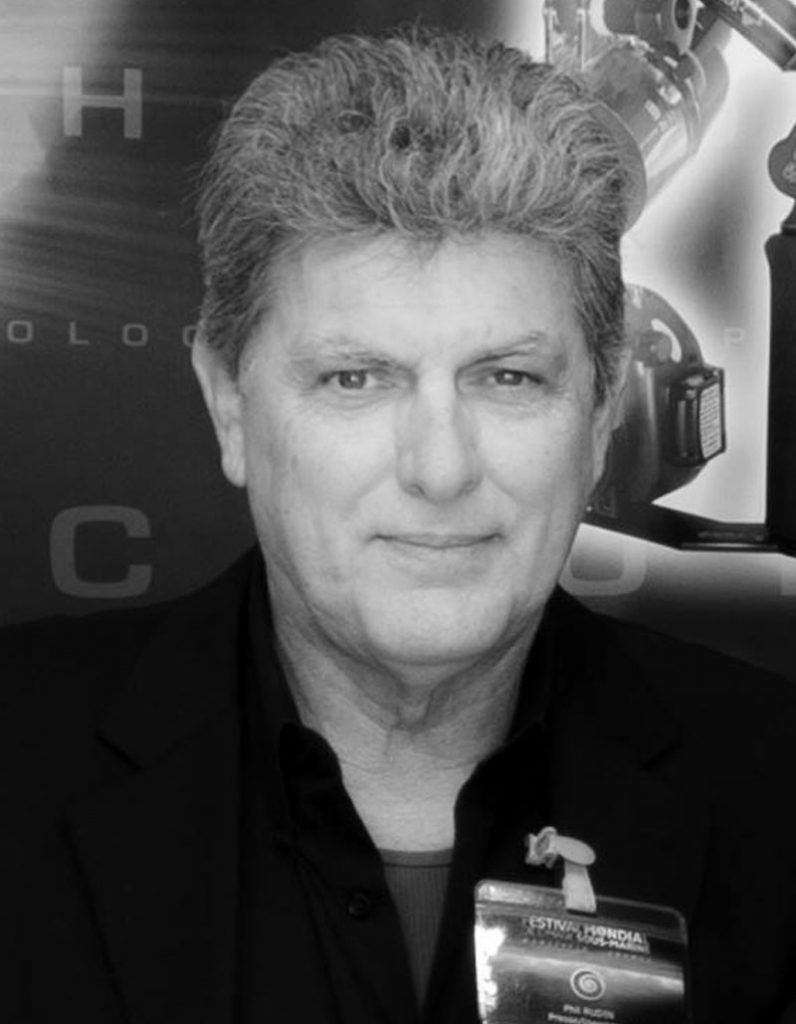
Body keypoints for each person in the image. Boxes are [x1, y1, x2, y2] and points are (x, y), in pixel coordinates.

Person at [2, 26, 796, 1024]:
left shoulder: (779, 788)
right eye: (355, 378)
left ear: (599, 419)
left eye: (509, 377)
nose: (440, 467)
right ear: (229, 405)